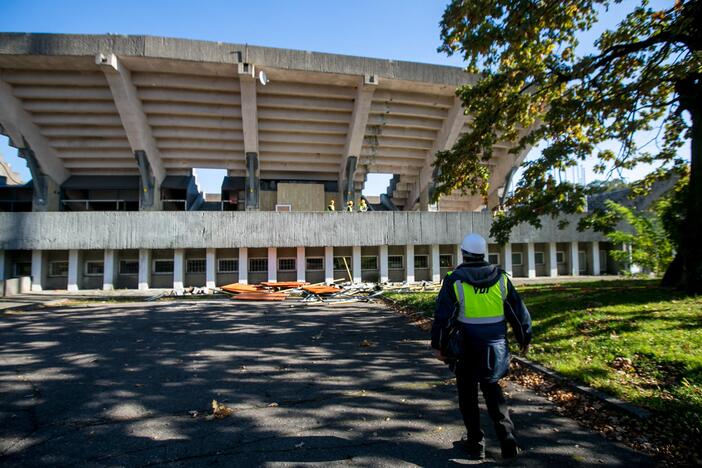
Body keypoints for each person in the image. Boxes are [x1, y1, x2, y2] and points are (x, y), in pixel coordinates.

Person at [431, 233, 532, 460]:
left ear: (464, 253)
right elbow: (518, 311)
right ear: (483, 253)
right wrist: (524, 337)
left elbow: (443, 316)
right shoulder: (501, 278)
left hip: (465, 349)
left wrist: (438, 346)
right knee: (493, 391)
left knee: (467, 396)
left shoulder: (454, 279)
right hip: (495, 349)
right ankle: (508, 440)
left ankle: (475, 443)